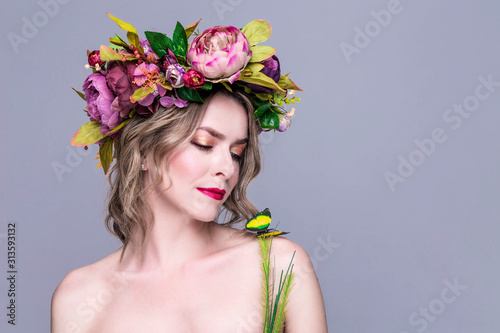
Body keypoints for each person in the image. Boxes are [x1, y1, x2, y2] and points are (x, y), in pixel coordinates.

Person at [51, 14, 328, 333]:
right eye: (204, 144)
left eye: (236, 153)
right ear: (144, 151)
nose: (227, 168)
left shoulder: (280, 266)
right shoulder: (77, 299)